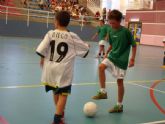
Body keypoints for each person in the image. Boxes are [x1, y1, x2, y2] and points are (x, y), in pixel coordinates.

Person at [36, 11, 90, 124]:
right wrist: (87, 46)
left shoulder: (50, 33)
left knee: (55, 91)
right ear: (68, 23)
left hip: (49, 69)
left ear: (56, 21)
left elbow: (41, 49)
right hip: (64, 70)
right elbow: (85, 50)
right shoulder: (72, 36)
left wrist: (42, 59)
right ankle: (57, 119)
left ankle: (60, 114)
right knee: (63, 94)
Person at [92, 10, 137, 113]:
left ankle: (119, 106)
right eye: (110, 23)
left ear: (120, 21)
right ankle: (103, 92)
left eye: (113, 23)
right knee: (101, 67)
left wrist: (132, 58)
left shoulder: (126, 32)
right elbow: (112, 44)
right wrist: (107, 52)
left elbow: (134, 45)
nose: (111, 25)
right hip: (112, 56)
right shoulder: (110, 31)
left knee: (119, 82)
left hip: (122, 60)